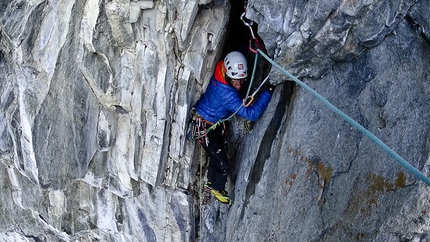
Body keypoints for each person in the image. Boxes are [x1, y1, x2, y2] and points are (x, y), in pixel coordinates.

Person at [191, 51, 275, 205]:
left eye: (242, 80)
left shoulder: (222, 69)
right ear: (229, 75)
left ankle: (211, 182)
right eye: (236, 81)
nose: (239, 85)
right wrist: (268, 92)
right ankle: (217, 188)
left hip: (210, 122)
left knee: (217, 155)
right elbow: (252, 114)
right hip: (204, 126)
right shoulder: (225, 93)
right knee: (223, 163)